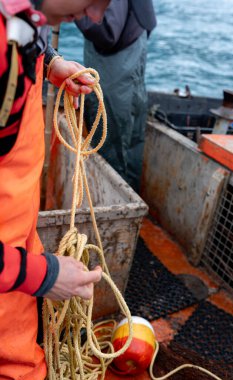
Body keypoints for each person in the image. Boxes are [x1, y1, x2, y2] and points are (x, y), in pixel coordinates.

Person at [0, 0, 110, 379]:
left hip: (14, 249)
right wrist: (42, 276)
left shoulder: (15, 21)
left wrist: (47, 62)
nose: (96, 17)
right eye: (97, 0)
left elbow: (18, 30)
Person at [76, 0, 156, 192]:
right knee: (130, 137)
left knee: (111, 138)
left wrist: (72, 10)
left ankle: (117, 209)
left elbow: (107, 32)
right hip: (134, 36)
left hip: (117, 53)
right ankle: (130, 205)